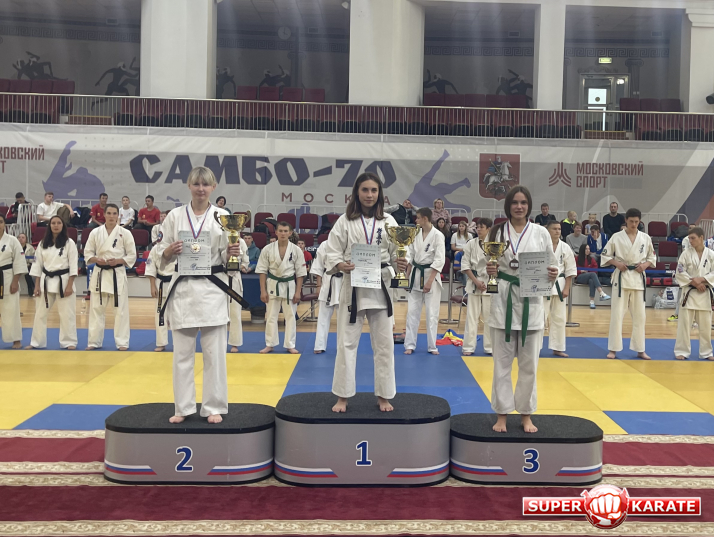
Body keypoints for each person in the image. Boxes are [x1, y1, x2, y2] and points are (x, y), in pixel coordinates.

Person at [156, 166, 244, 424]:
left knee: (214, 355)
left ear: (213, 187)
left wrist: (232, 253)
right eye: (196, 184)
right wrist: (168, 252)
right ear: (189, 185)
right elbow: (159, 251)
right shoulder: (174, 216)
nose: (201, 189)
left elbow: (233, 257)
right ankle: (182, 407)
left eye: (206, 184)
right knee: (182, 355)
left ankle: (213, 406)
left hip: (212, 289)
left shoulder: (223, 217)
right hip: (183, 289)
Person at [325, 172, 399, 413]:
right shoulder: (345, 221)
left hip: (381, 285)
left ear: (380, 194)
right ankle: (343, 396)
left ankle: (384, 395)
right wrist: (339, 264)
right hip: (353, 284)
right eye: (365, 190)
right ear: (357, 192)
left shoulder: (389, 221)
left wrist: (402, 261)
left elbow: (398, 252)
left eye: (374, 190)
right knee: (346, 343)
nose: (369, 195)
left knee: (384, 344)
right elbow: (332, 250)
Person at [485, 186, 557, 433]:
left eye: (523, 202)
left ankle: (526, 414)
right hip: (503, 300)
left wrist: (553, 273)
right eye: (515, 202)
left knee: (529, 366)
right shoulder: (496, 231)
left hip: (531, 300)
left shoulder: (540, 233)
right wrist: (490, 270)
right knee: (501, 365)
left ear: (529, 205)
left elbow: (552, 264)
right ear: (508, 205)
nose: (519, 206)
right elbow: (486, 264)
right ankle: (502, 415)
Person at [601, 208, 656, 360]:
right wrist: (617, 264)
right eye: (631, 221)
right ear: (625, 220)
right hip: (622, 278)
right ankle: (613, 349)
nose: (633, 224)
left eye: (636, 222)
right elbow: (605, 255)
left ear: (640, 222)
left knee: (640, 316)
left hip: (638, 279)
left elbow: (652, 257)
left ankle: (640, 349)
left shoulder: (645, 238)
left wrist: (644, 265)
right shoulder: (616, 237)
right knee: (617, 315)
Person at [84, 204, 137, 351]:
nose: (112, 216)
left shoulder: (125, 233)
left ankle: (122, 342)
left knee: (120, 310)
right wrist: (96, 260)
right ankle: (94, 341)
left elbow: (132, 255)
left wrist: (119, 260)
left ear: (118, 215)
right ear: (104, 214)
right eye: (109, 213)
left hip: (117, 273)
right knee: (96, 309)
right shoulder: (95, 232)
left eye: (114, 213)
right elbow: (88, 253)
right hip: (100, 273)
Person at [26, 216, 78, 350]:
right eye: (53, 223)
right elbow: (37, 265)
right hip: (45, 281)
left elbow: (73, 265)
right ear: (49, 226)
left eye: (59, 223)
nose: (56, 225)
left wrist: (70, 285)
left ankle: (69, 342)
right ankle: (36, 342)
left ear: (63, 226)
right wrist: (36, 286)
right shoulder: (43, 243)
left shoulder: (69, 243)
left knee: (67, 314)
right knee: (40, 314)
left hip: (64, 281)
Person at [256, 222, 306, 355]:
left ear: (290, 233)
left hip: (289, 285)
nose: (283, 233)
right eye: (280, 231)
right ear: (276, 232)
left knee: (290, 316)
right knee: (271, 316)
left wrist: (298, 292)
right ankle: (270, 344)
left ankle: (290, 344)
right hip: (273, 284)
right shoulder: (267, 249)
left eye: (285, 231)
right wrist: (263, 291)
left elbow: (300, 273)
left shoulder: (296, 250)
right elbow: (262, 270)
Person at [404, 207, 446, 355]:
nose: (416, 220)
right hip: (415, 275)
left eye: (418, 217)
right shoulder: (415, 234)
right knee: (412, 312)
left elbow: (439, 260)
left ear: (425, 219)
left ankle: (432, 346)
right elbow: (411, 256)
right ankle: (410, 344)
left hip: (430, 277)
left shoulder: (438, 235)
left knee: (431, 313)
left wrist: (429, 281)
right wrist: (406, 277)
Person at [674, 227, 714, 360]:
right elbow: (680, 272)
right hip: (689, 293)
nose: (690, 241)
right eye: (689, 238)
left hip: (704, 293)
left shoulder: (711, 254)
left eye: (693, 238)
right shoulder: (685, 254)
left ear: (701, 238)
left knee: (705, 326)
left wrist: (702, 279)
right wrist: (695, 283)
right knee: (684, 325)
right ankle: (682, 350)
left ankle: (706, 352)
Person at [544, 221, 577, 358]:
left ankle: (557, 348)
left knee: (559, 318)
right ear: (547, 230)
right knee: (539, 318)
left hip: (560, 284)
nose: (557, 231)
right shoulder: (541, 245)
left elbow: (570, 270)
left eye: (559, 229)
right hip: (543, 284)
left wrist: (567, 288)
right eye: (554, 229)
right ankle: (534, 347)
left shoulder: (565, 247)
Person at [461, 218, 492, 356]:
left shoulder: (494, 244)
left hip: (489, 283)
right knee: (471, 317)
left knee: (490, 317)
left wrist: (487, 280)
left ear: (489, 229)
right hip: (473, 282)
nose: (478, 230)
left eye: (481, 227)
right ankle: (468, 346)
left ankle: (490, 347)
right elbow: (465, 265)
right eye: (477, 227)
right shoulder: (470, 244)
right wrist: (476, 281)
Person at [0, 214, 27, 348]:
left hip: (7, 277)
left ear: (4, 224)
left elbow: (19, 261)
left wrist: (15, 281)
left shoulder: (12, 241)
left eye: (0, 222)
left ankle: (16, 339)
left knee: (11, 310)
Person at [144, 235, 175, 352]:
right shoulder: (156, 249)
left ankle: (179, 343)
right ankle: (161, 343)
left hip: (176, 283)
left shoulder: (178, 247)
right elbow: (151, 268)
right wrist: (152, 285)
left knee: (177, 315)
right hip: (161, 283)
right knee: (160, 315)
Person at [311, 240, 342, 354]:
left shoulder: (349, 242)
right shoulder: (325, 244)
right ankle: (319, 345)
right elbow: (318, 266)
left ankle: (342, 346)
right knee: (323, 315)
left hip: (345, 282)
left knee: (343, 318)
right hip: (328, 281)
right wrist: (318, 286)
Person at [228, 235, 250, 354]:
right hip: (218, 278)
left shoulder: (241, 242)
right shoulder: (218, 238)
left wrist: (240, 266)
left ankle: (235, 343)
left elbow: (246, 261)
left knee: (235, 313)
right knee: (217, 313)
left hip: (235, 279)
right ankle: (217, 341)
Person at [576, 244, 611, 308]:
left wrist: (588, 273)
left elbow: (595, 269)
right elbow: (572, 269)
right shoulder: (576, 259)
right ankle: (601, 293)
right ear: (582, 250)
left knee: (591, 280)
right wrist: (581, 271)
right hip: (579, 277)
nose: (588, 250)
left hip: (589, 276)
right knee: (592, 274)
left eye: (589, 249)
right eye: (586, 249)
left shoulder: (591, 259)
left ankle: (592, 302)